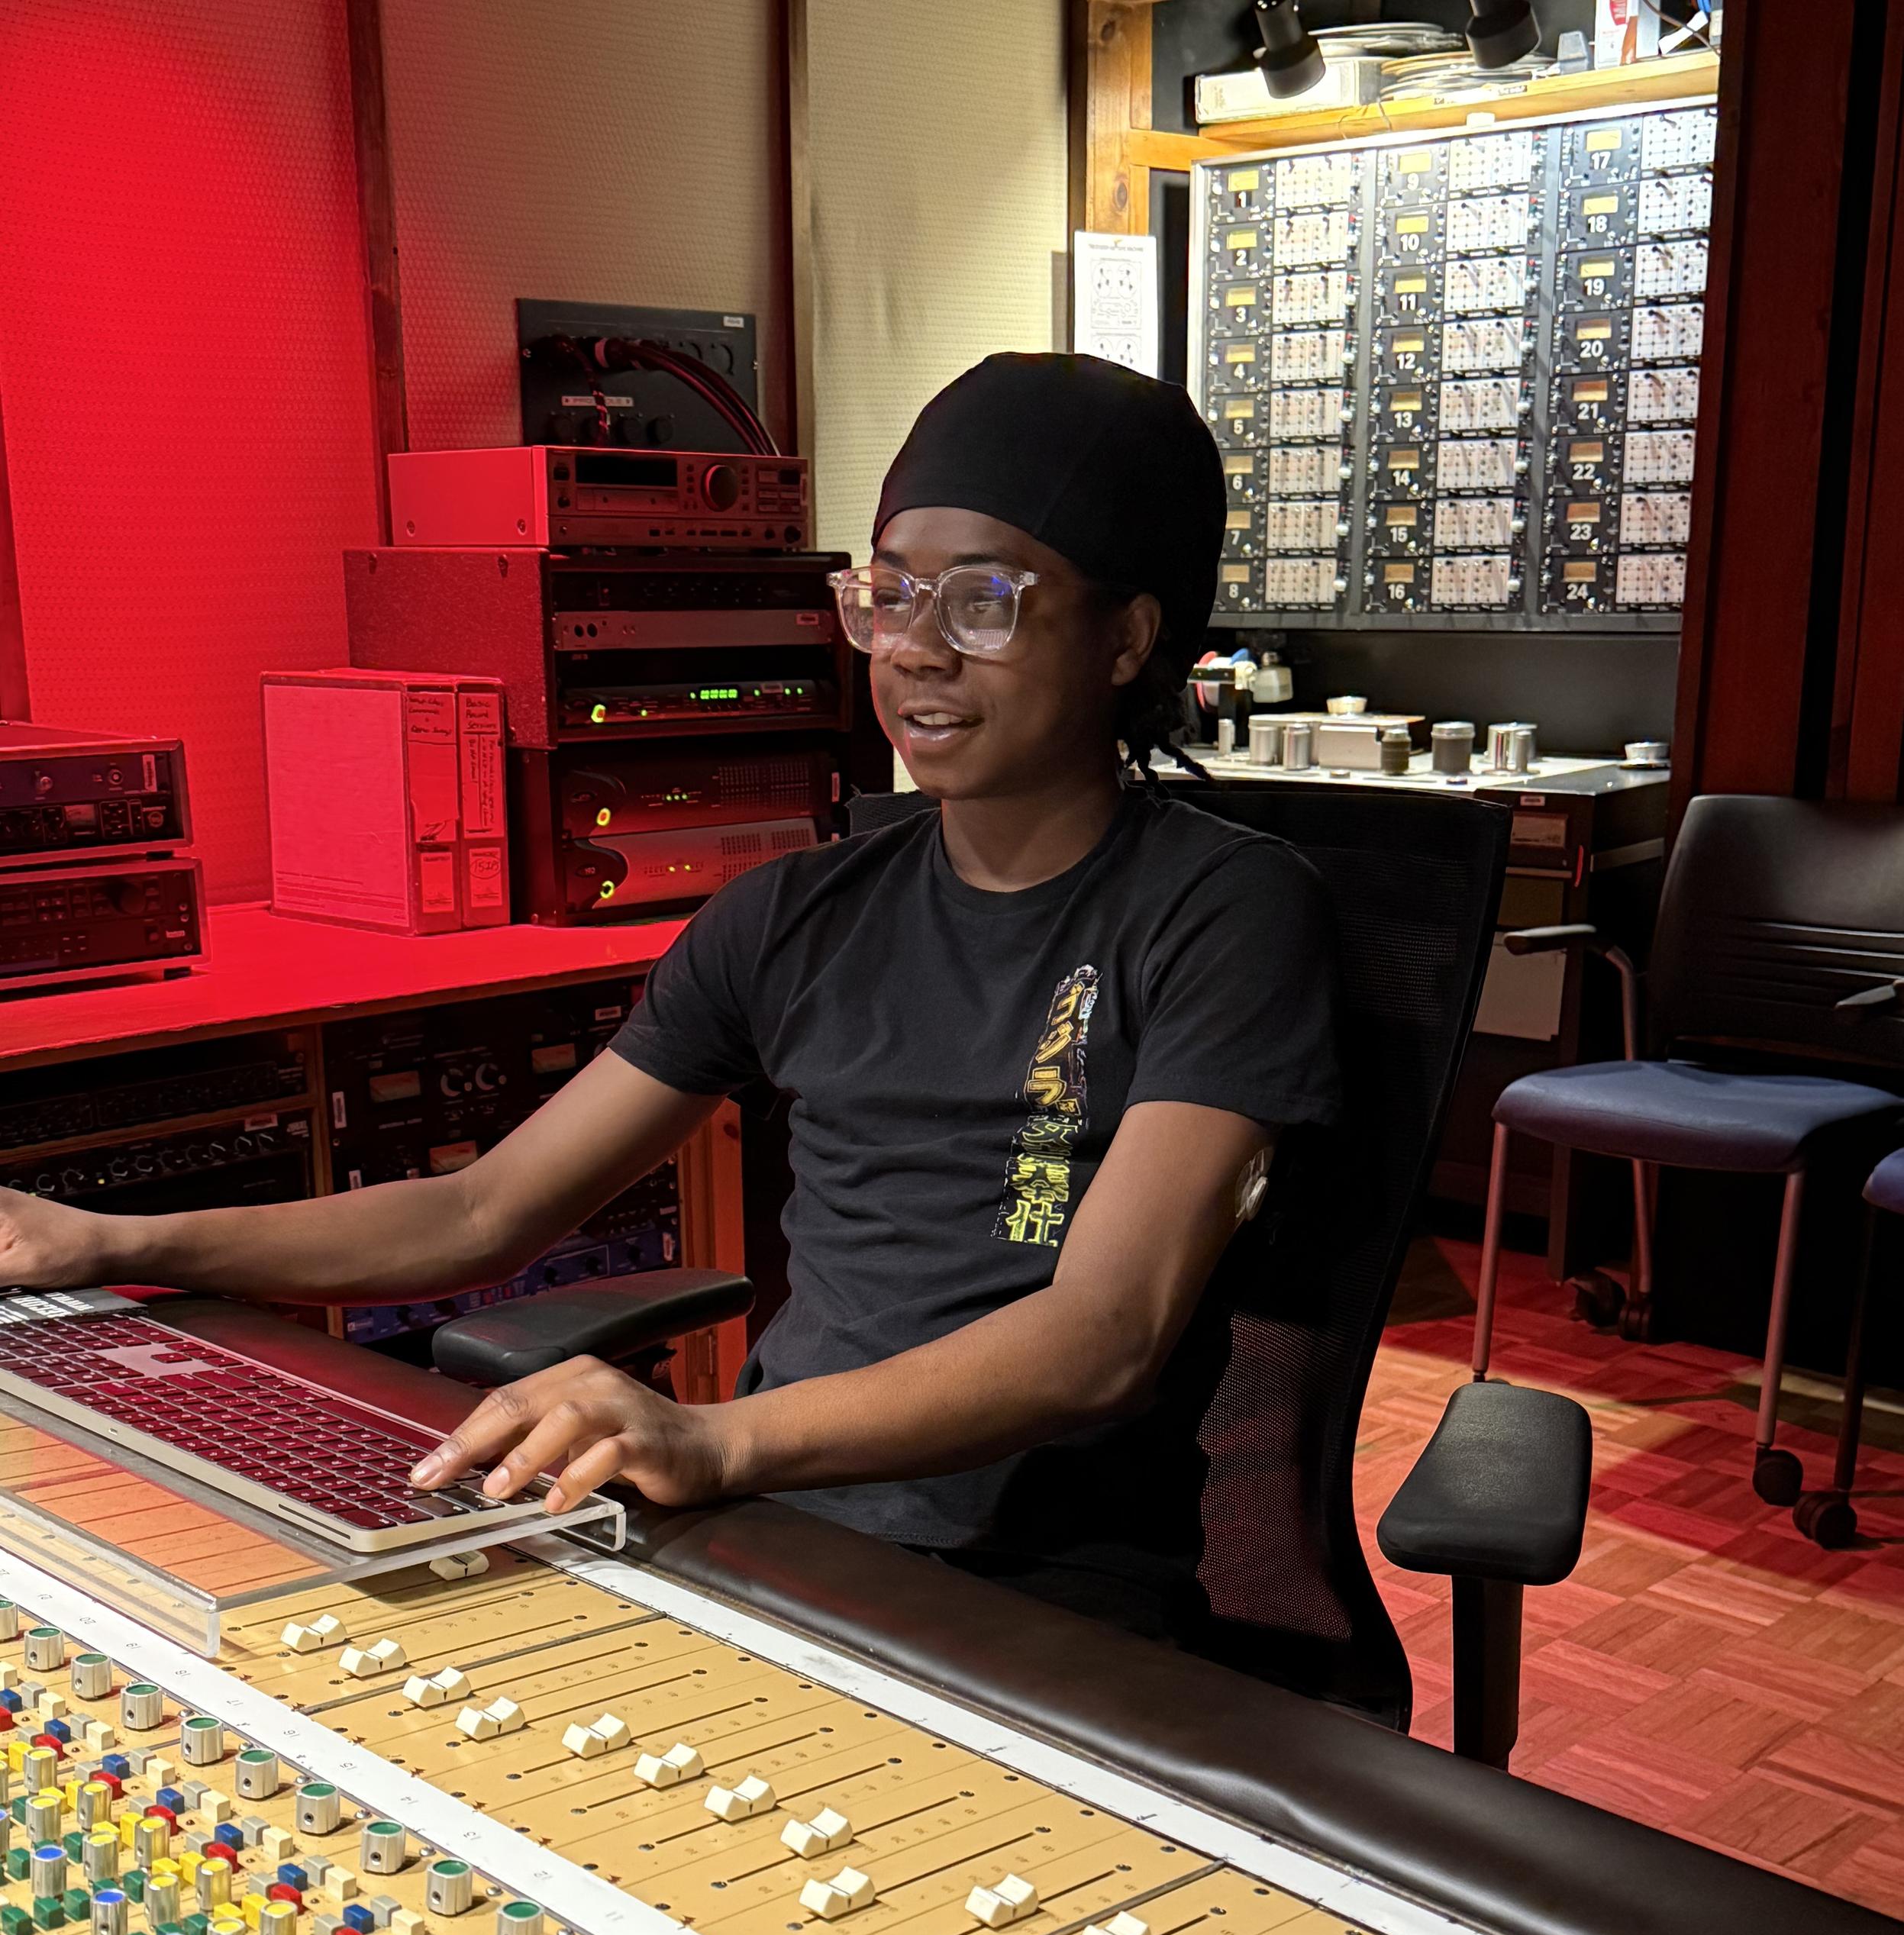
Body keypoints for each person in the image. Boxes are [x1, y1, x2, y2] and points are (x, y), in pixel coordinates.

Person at [0, 354, 1340, 1653]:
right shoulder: (790, 914)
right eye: (888, 595)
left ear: (1126, 638)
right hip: (775, 1530)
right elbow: (481, 1211)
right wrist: (112, 1241)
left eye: (982, 602)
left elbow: (1101, 1335)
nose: (916, 651)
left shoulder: (1223, 910)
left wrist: (712, 1438)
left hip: (1044, 1591)